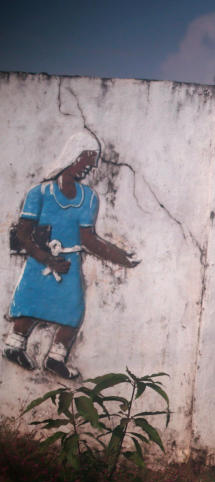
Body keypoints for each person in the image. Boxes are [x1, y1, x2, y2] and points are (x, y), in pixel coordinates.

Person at [3, 132, 139, 379]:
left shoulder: (88, 198)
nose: (92, 166)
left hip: (69, 262)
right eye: (88, 158)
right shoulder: (40, 193)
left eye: (94, 160)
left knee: (72, 310)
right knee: (31, 303)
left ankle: (56, 359)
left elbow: (88, 238)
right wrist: (46, 258)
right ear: (74, 156)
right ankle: (14, 345)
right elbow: (23, 233)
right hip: (42, 258)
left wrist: (120, 256)